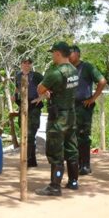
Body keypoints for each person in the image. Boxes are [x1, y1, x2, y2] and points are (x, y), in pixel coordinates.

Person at [35, 41, 79, 196]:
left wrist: (46, 89)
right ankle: (73, 181)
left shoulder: (56, 73)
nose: (52, 56)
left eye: (53, 53)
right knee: (71, 148)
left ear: (58, 53)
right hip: (71, 115)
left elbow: (40, 88)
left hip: (58, 116)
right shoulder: (74, 70)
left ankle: (55, 185)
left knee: (55, 152)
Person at [69, 45, 107, 175]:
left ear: (78, 54)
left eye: (71, 52)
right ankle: (75, 164)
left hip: (83, 106)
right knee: (71, 135)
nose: (68, 55)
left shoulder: (87, 67)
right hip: (69, 106)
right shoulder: (66, 68)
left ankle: (85, 165)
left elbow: (102, 81)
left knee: (83, 135)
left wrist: (93, 98)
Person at [14, 57, 44, 167]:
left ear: (31, 64)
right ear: (21, 64)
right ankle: (31, 160)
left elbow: (48, 89)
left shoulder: (37, 76)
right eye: (24, 63)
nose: (27, 65)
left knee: (31, 134)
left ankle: (28, 159)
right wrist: (14, 96)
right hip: (22, 107)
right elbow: (17, 89)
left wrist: (40, 98)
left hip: (34, 107)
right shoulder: (18, 76)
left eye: (29, 63)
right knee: (23, 133)